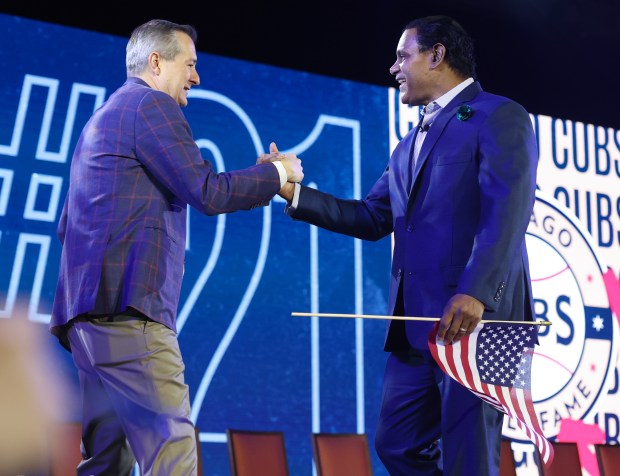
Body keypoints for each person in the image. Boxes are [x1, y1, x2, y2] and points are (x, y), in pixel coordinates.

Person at [267, 15, 538, 476]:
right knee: (396, 444)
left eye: (402, 56)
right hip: (418, 331)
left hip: (480, 322)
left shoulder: (499, 115)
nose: (393, 67)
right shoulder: (406, 145)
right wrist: (292, 192)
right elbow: (372, 218)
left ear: (437, 56)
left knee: (470, 457)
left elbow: (506, 214)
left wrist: (476, 290)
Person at [50, 19, 303, 476]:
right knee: (173, 453)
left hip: (87, 322)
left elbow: (66, 226)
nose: (196, 77)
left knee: (105, 462)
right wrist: (278, 176)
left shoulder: (103, 118)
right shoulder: (152, 106)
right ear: (156, 61)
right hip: (130, 317)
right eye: (190, 64)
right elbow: (206, 190)